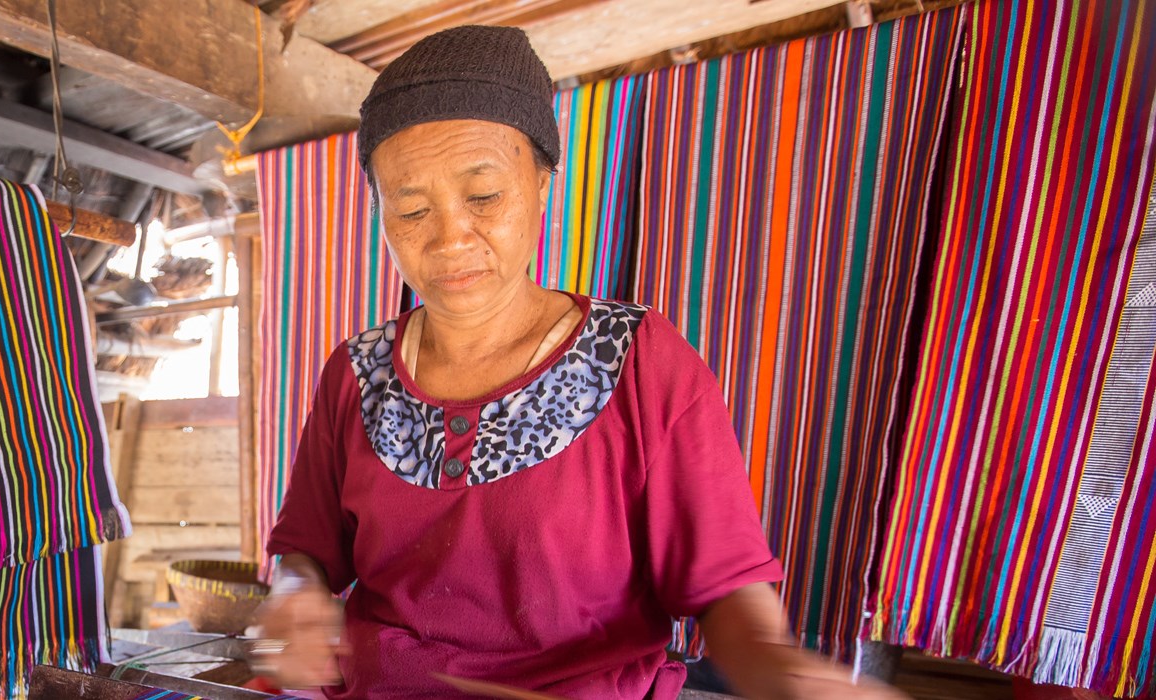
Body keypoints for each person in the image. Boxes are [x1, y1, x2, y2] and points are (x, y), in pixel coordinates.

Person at [250, 25, 904, 700]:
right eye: (410, 209)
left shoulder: (640, 360)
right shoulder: (358, 374)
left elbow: (724, 589)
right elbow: (307, 549)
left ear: (541, 184)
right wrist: (295, 597)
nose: (448, 238)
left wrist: (775, 667)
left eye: (483, 197)